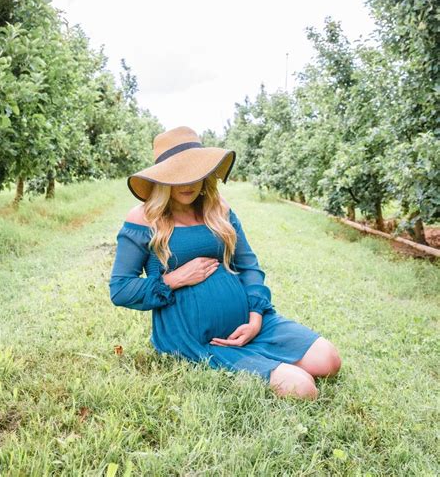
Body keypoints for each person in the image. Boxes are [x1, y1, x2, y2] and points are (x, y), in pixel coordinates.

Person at [109, 126, 341, 400]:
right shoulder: (143, 218)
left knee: (329, 360)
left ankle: (261, 349)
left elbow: (249, 266)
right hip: (193, 335)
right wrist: (176, 278)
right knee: (303, 388)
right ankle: (265, 364)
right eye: (177, 175)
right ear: (163, 179)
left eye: (194, 172)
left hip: (247, 321)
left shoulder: (218, 209)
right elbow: (120, 289)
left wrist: (255, 318)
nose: (187, 183)